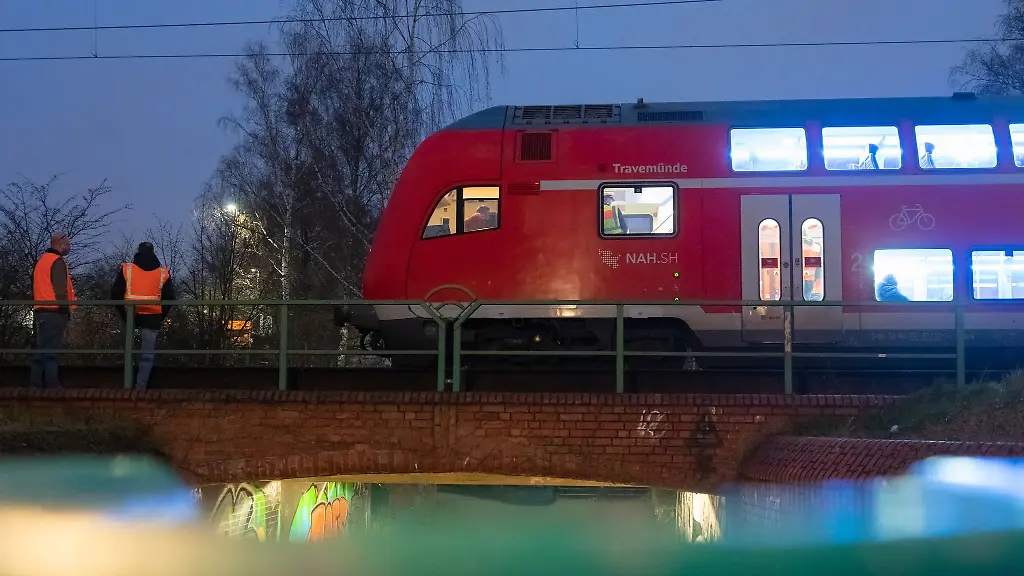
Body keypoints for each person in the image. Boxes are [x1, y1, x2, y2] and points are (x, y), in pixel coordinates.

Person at [111, 242, 176, 388]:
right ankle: (141, 386)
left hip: (130, 314)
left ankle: (127, 385)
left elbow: (115, 293)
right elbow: (170, 297)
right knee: (147, 355)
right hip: (152, 316)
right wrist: (160, 315)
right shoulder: (162, 272)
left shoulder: (127, 269)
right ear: (153, 252)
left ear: (138, 252)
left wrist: (124, 313)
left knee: (128, 352)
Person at [30, 233, 76, 388]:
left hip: (41, 309)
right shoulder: (57, 262)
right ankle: (52, 384)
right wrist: (66, 310)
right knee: (50, 350)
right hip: (55, 311)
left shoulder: (43, 261)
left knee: (43, 347)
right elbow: (61, 290)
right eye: (68, 244)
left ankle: (36, 383)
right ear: (61, 244)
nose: (69, 247)